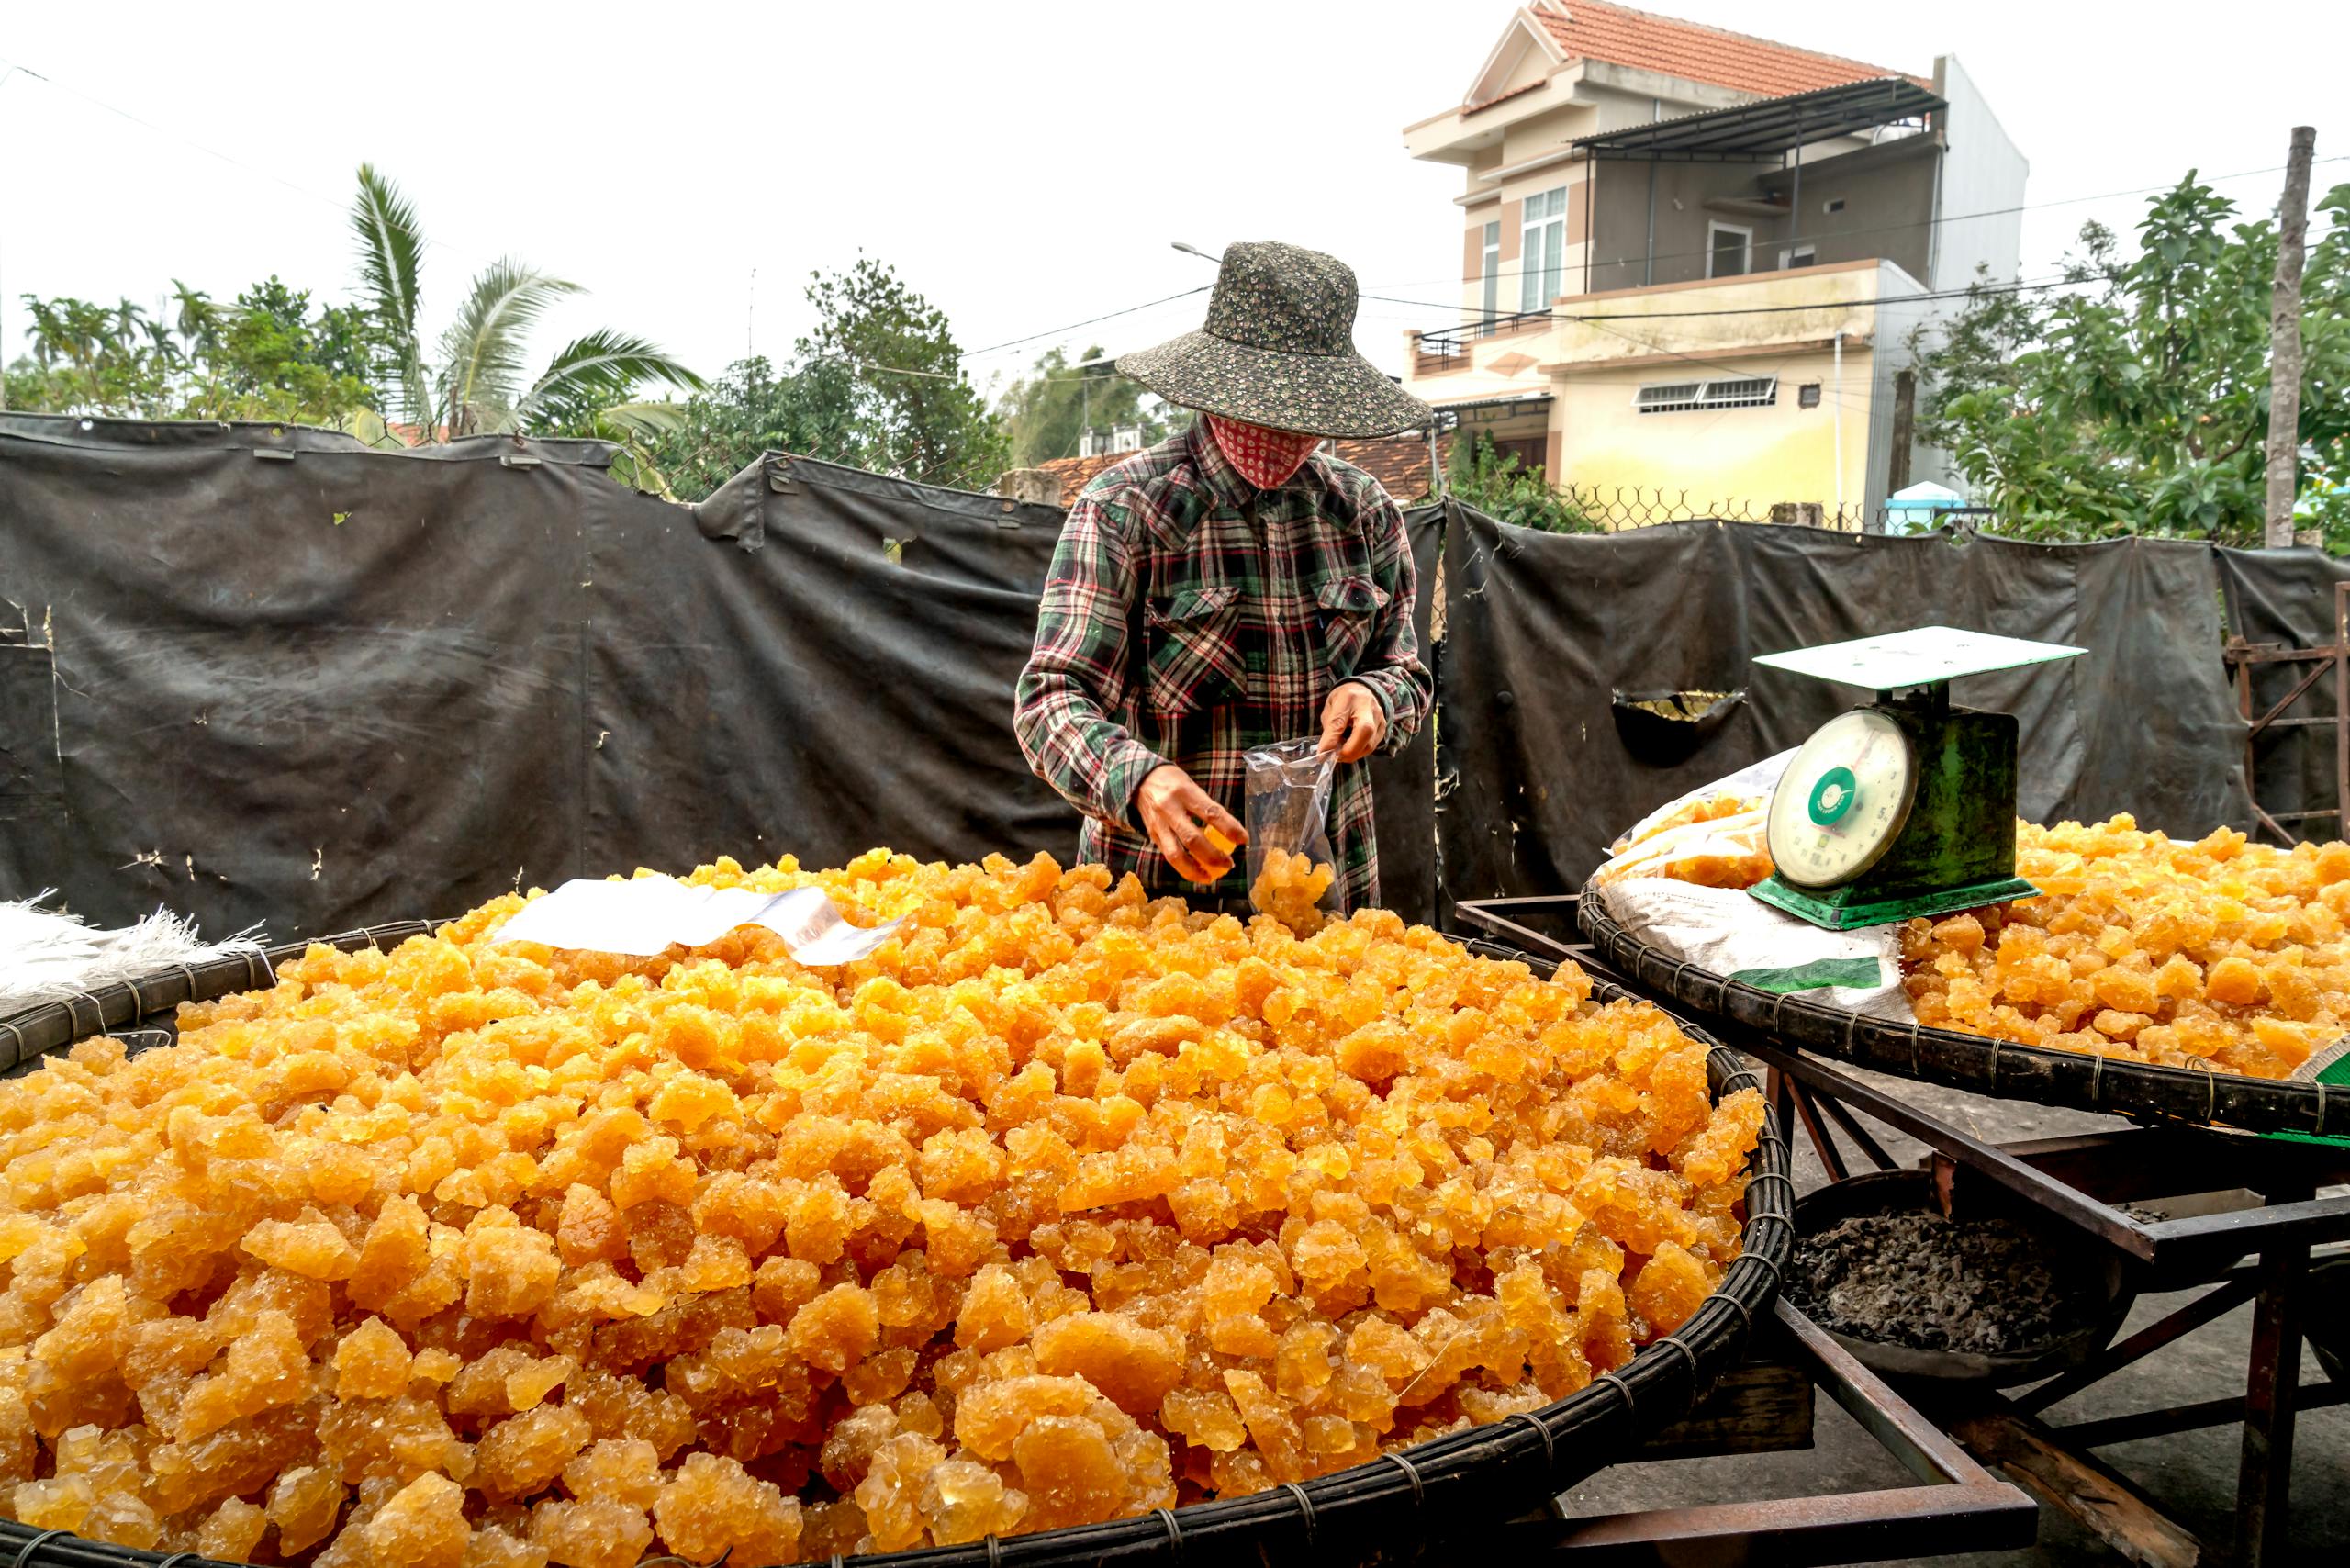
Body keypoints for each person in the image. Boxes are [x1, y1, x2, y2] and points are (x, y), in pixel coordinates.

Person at [1013, 241, 1434, 913]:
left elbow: (1406, 670)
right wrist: (1138, 779)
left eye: (1304, 413)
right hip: (1157, 910)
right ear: (1217, 385)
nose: (1282, 431)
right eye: (1263, 404)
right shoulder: (1125, 510)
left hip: (1323, 904)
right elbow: (1051, 699)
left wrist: (1377, 697)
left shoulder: (1363, 513)